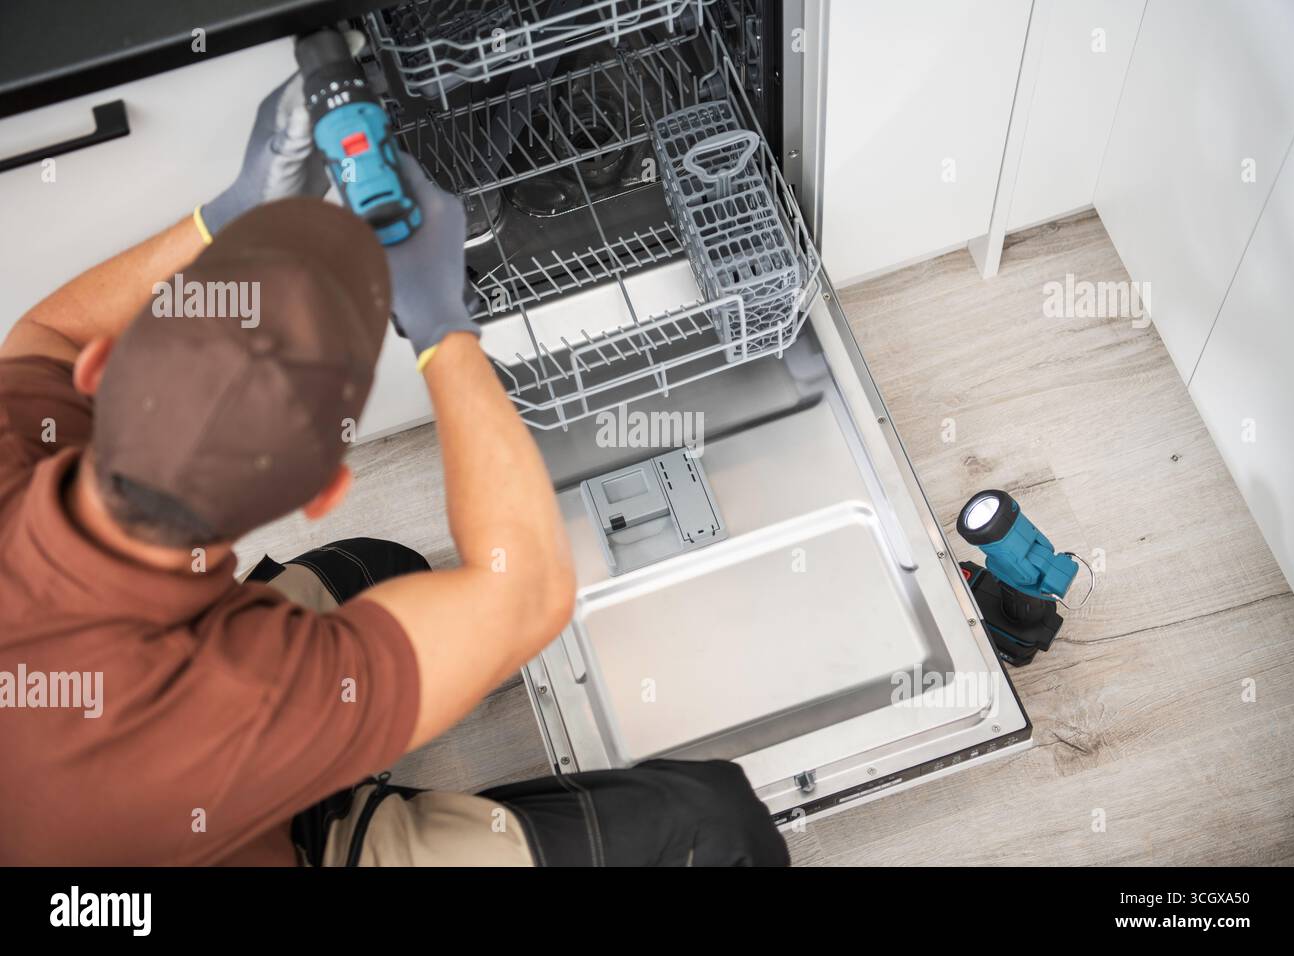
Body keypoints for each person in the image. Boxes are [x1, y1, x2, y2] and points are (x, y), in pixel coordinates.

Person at [0, 75, 788, 867]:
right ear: (322, 492)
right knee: (720, 828)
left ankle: (358, 741)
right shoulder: (243, 694)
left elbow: (47, 333)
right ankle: (344, 810)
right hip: (245, 827)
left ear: (101, 375)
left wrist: (231, 215)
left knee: (386, 570)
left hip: (152, 781)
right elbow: (525, 590)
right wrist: (444, 325)